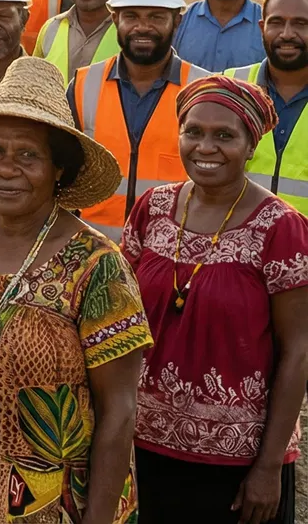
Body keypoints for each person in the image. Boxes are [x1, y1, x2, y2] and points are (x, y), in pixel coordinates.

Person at [0, 56, 150, 524]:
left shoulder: (97, 265)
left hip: (50, 508)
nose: (6, 168)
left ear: (59, 169)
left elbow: (119, 412)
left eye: (28, 155)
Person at [125, 75, 308, 524]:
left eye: (225, 135)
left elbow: (298, 351)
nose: (205, 147)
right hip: (139, 447)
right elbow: (122, 324)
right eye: (194, 132)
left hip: (235, 464)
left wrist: (267, 468)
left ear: (251, 146)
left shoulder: (281, 228)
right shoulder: (152, 208)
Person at [70, 0, 207, 236]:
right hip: (92, 253)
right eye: (131, 16)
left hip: (170, 256)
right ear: (115, 19)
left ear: (176, 20)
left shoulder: (202, 90)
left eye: (156, 17)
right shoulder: (83, 86)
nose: (142, 27)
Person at [226, 0, 308, 213]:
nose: (287, 34)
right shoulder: (230, 86)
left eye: (301, 24)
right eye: (277, 22)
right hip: (235, 242)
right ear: (262, 28)